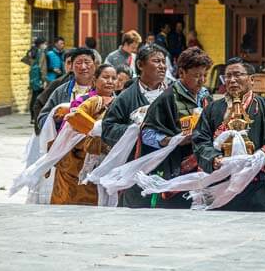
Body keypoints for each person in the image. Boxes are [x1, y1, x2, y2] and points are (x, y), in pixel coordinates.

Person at [192, 58, 265, 212]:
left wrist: (262, 155)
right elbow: (200, 140)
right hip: (222, 185)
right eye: (228, 76)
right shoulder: (213, 109)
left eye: (237, 75)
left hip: (258, 186)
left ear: (251, 79)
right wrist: (213, 158)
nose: (232, 80)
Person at [139, 47, 213, 208]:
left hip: (203, 165)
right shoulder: (166, 98)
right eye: (196, 75)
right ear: (182, 73)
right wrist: (172, 141)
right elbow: (146, 134)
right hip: (176, 167)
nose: (201, 80)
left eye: (204, 75)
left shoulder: (205, 96)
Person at [101, 42, 168, 207]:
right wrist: (135, 131)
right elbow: (108, 129)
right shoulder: (126, 97)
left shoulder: (172, 94)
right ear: (140, 65)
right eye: (156, 61)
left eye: (163, 62)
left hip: (168, 166)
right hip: (135, 167)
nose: (162, 66)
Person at [50, 64, 118, 205]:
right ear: (94, 80)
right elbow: (70, 129)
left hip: (104, 161)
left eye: (113, 78)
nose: (110, 81)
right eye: (105, 77)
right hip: (76, 162)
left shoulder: (120, 102)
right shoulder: (84, 101)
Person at [35, 48, 96, 132]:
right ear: (72, 66)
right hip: (64, 141)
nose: (83, 67)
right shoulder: (61, 91)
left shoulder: (102, 90)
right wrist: (55, 121)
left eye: (87, 62)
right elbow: (42, 118)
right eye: (78, 63)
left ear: (95, 65)